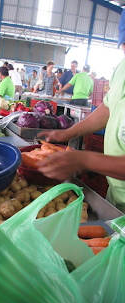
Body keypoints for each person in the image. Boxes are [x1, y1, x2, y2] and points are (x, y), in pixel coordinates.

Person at [37, 9, 125, 214]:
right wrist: (69, 132)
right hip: (117, 195)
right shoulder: (121, 68)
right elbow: (108, 108)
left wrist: (83, 159)